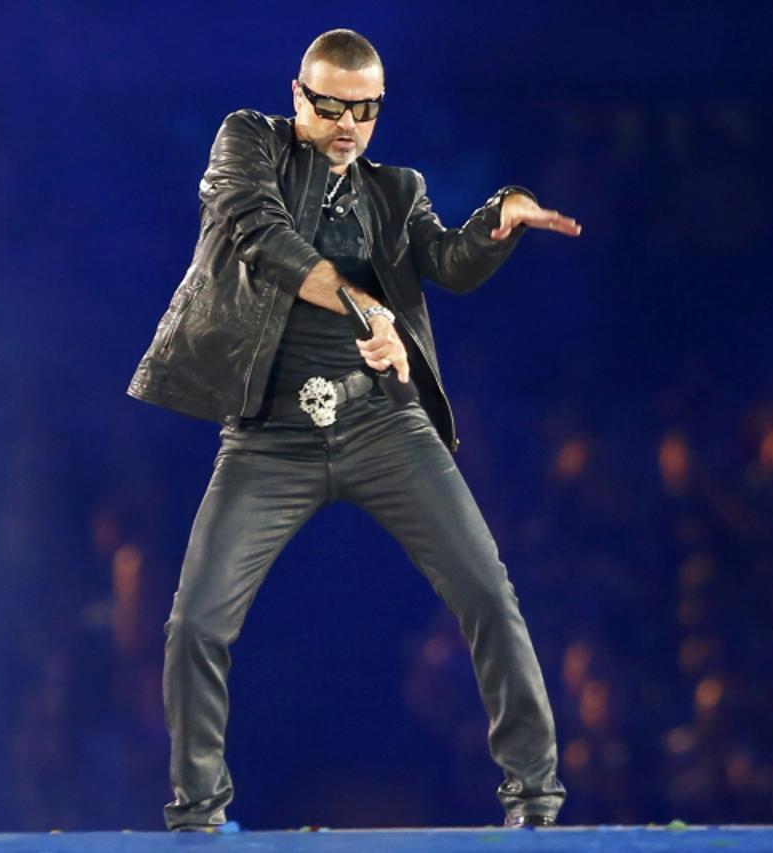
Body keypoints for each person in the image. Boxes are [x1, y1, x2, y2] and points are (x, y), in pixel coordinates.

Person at [126, 28, 581, 831]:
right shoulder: (249, 143)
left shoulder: (396, 189)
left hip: (383, 423)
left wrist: (496, 223)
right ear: (300, 96)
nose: (347, 124)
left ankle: (536, 800)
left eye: (364, 109)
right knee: (197, 621)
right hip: (270, 434)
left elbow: (447, 263)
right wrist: (368, 306)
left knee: (487, 590)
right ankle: (198, 812)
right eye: (331, 105)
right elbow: (259, 235)